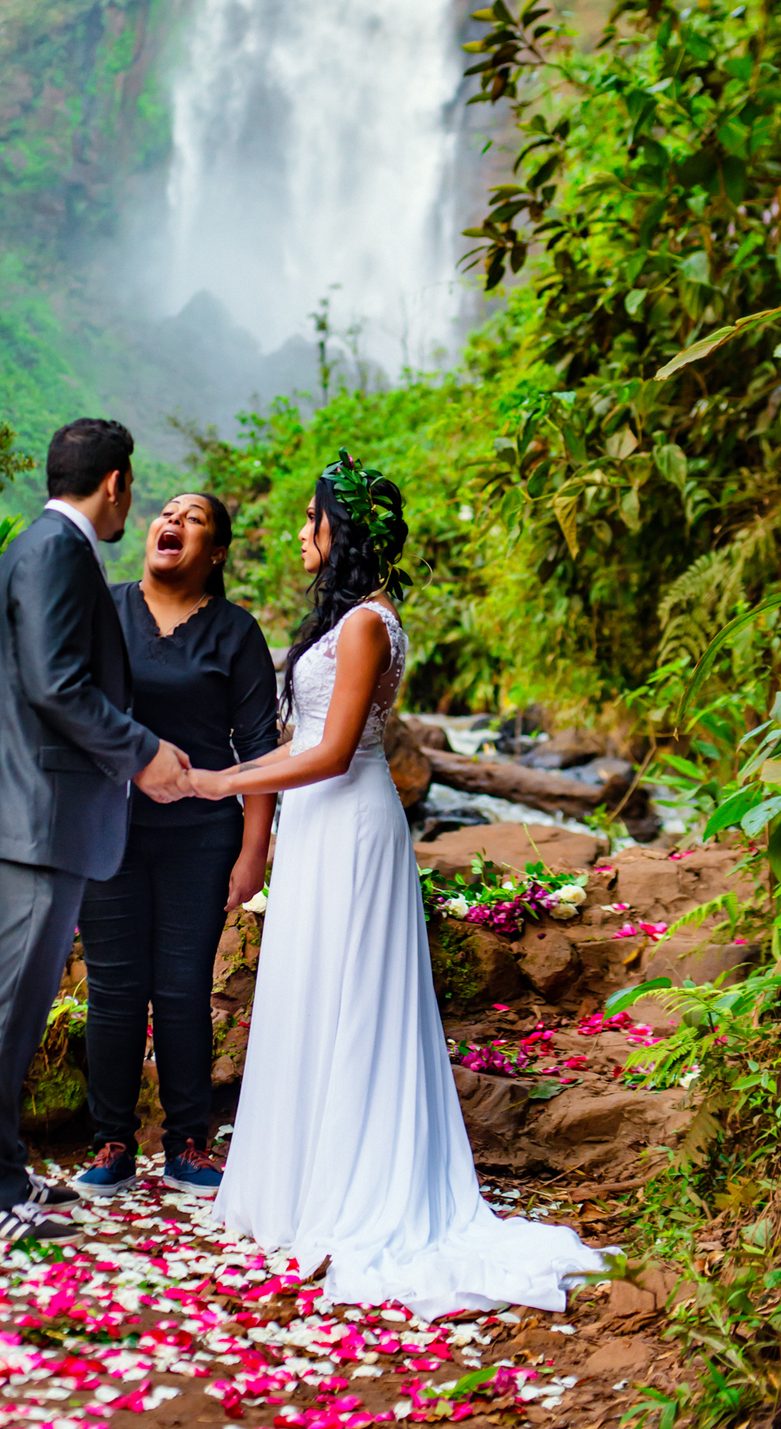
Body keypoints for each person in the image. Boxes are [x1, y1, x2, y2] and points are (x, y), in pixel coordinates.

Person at [187, 450, 607, 1317]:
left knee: (352, 995)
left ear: (341, 531)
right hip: (318, 825)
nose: (300, 532)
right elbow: (302, 741)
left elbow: (334, 752)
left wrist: (223, 782)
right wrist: (229, 778)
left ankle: (356, 1188)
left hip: (349, 824)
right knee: (312, 988)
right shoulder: (351, 619)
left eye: (311, 519)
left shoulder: (367, 624)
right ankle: (306, 1180)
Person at [0, 418, 193, 1246]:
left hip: (28, 812)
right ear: (115, 483)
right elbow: (55, 685)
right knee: (9, 1003)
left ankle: (3, 1170)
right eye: (133, 487)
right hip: (32, 815)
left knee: (17, 1001)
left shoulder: (40, 546)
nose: (133, 502)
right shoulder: (56, 552)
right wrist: (143, 753)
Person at [73, 493, 279, 1202]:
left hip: (202, 836)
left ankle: (188, 1144)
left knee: (184, 988)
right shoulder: (102, 611)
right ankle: (111, 1142)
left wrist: (253, 851)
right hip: (108, 829)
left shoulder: (235, 632)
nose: (174, 523)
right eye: (168, 513)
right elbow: (70, 712)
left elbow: (258, 750)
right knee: (114, 989)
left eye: (194, 520)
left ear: (215, 553)